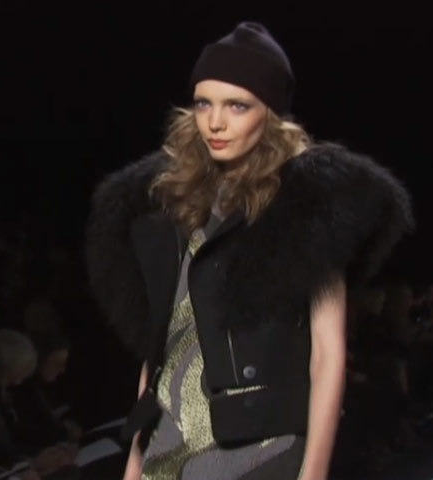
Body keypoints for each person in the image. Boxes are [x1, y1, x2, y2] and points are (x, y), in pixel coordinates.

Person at [85, 21, 414, 480]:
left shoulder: (306, 207)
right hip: (168, 447)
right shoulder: (171, 205)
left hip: (260, 448)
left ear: (270, 113)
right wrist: (134, 465)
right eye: (204, 103)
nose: (215, 122)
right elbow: (161, 343)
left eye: (237, 105)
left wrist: (313, 473)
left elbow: (327, 353)